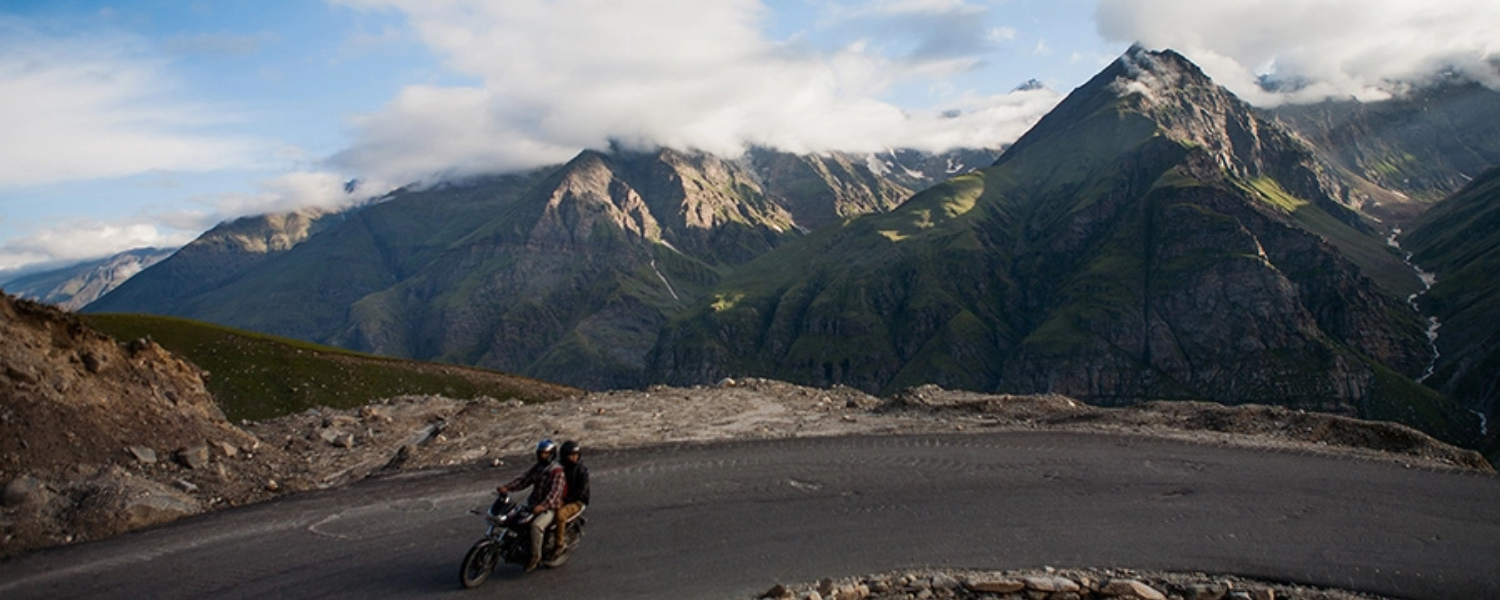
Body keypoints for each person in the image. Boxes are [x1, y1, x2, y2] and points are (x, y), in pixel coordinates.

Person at [497, 438, 567, 571]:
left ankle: (535, 558)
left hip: (550, 508)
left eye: (545, 454)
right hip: (533, 504)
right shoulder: (538, 467)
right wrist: (507, 488)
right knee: (513, 518)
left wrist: (543, 506)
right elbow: (524, 480)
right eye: (540, 453)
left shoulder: (557, 472)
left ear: (552, 454)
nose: (542, 456)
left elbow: (555, 493)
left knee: (536, 526)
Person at [552, 440, 590, 558]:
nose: (574, 458)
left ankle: (559, 544)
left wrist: (565, 500)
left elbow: (580, 492)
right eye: (571, 455)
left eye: (576, 455)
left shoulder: (581, 471)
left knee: (560, 515)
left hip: (576, 501)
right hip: (560, 498)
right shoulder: (559, 468)